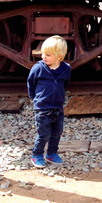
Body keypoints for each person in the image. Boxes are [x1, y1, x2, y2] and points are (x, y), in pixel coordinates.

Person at [27, 35, 71, 168]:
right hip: (42, 108)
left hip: (58, 107)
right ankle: (37, 155)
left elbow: (65, 84)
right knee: (44, 134)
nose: (43, 57)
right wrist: (35, 98)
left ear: (59, 56)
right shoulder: (39, 68)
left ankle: (51, 153)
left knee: (57, 132)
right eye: (43, 53)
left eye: (48, 54)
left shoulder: (66, 69)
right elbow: (31, 83)